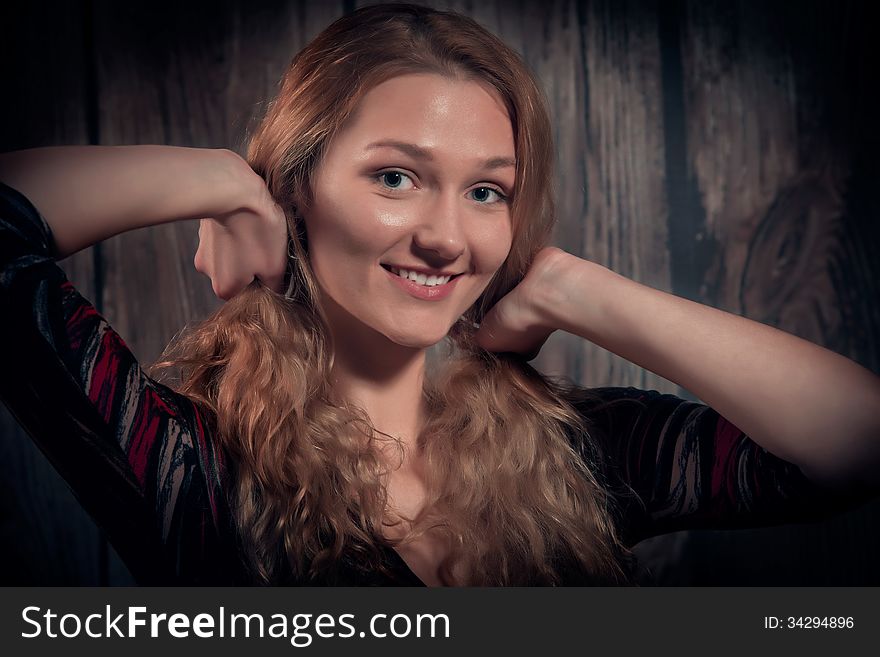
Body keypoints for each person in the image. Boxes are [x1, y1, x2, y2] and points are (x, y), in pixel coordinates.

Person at [0, 3, 878, 587]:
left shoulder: (571, 455)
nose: (448, 237)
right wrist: (221, 179)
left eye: (487, 191)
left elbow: (854, 440)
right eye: (396, 176)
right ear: (298, 187)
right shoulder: (190, 466)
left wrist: (579, 288)